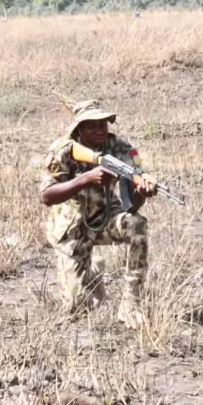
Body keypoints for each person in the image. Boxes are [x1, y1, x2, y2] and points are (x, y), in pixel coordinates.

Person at [39, 100, 156, 328]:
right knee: (77, 309)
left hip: (105, 218)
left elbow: (133, 204)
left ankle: (131, 303)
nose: (100, 130)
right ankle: (92, 270)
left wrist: (143, 190)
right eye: (91, 125)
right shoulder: (63, 149)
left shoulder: (119, 147)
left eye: (103, 124)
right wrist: (86, 178)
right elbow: (46, 196)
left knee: (136, 223)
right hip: (72, 229)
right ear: (79, 129)